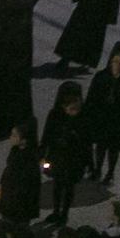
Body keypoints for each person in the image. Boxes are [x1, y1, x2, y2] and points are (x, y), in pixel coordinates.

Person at [84, 43, 120, 184]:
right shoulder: (101, 77)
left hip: (118, 120)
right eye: (115, 62)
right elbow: (92, 97)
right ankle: (97, 169)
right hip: (102, 118)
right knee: (100, 146)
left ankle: (110, 172)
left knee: (113, 149)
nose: (117, 65)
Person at [40, 81, 88, 225]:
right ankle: (56, 212)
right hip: (57, 155)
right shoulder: (55, 113)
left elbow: (87, 137)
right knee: (57, 185)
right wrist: (43, 155)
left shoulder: (83, 114)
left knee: (68, 187)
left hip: (74, 157)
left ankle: (64, 213)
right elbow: (47, 134)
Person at [0, 119, 42, 226]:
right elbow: (9, 169)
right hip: (10, 193)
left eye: (14, 135)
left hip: (19, 199)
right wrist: (2, 185)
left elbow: (27, 183)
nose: (10, 137)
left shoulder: (29, 158)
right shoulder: (15, 150)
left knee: (18, 223)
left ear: (24, 140)